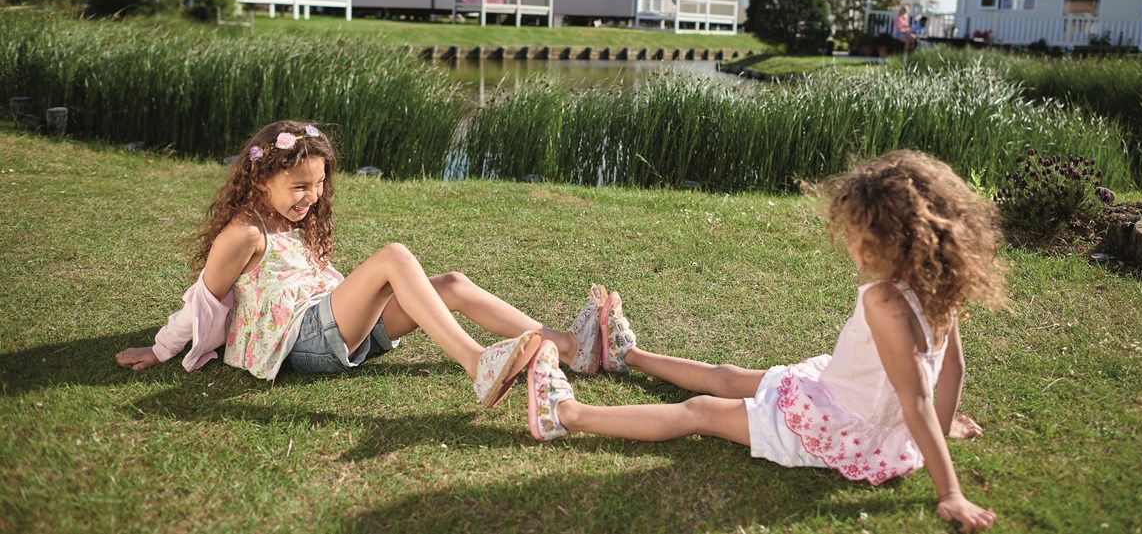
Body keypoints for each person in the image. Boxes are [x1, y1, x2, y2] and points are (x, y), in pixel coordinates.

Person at [526, 150, 1006, 532]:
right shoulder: (942, 285)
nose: (849, 244)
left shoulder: (885, 301)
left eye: (858, 234)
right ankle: (626, 355)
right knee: (728, 378)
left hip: (838, 425)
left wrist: (950, 493)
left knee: (703, 411)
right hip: (841, 398)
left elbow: (917, 396)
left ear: (897, 238)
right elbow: (950, 372)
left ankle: (566, 416)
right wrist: (938, 432)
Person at [116, 120, 604, 407]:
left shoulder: (292, 218)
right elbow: (205, 298)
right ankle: (477, 362)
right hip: (302, 340)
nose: (312, 197)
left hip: (337, 322)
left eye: (319, 184)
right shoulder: (245, 232)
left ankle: (566, 347)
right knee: (394, 257)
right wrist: (161, 349)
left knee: (451, 284)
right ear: (261, 180)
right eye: (300, 187)